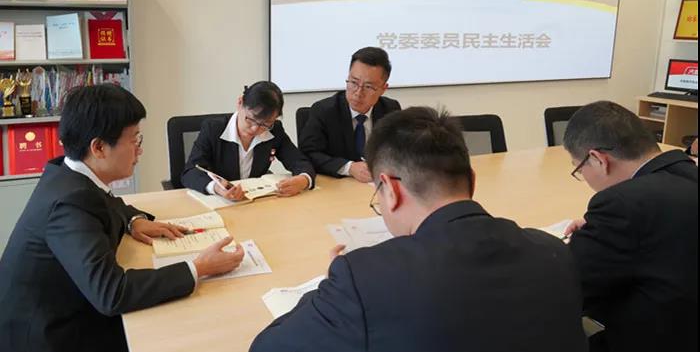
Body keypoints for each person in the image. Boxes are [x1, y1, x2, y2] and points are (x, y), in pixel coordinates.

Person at [251, 107, 587, 352]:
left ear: (390, 190)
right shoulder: (554, 251)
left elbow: (267, 347)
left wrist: (330, 289)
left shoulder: (363, 278)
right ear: (472, 181)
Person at [0, 85, 243, 352]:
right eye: (134, 140)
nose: (139, 151)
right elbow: (112, 293)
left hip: (71, 305)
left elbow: (106, 201)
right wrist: (198, 268)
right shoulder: (69, 204)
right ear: (99, 147)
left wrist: (134, 220)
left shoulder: (69, 174)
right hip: (52, 334)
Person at [562, 101, 698, 352]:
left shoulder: (621, 204)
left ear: (598, 159)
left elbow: (570, 290)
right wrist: (600, 232)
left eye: (579, 169)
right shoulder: (687, 172)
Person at [181, 81, 314, 199]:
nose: (255, 129)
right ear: (240, 103)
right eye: (250, 119)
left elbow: (299, 161)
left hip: (255, 201)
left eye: (265, 124)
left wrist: (303, 180)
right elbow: (191, 172)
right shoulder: (213, 129)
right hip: (221, 202)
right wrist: (216, 188)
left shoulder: (274, 130)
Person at [299, 47, 401, 183]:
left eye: (368, 87)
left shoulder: (390, 110)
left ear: (383, 89)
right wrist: (349, 168)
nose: (358, 93)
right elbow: (308, 154)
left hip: (376, 186)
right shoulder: (324, 110)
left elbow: (401, 151)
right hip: (336, 187)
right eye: (354, 82)